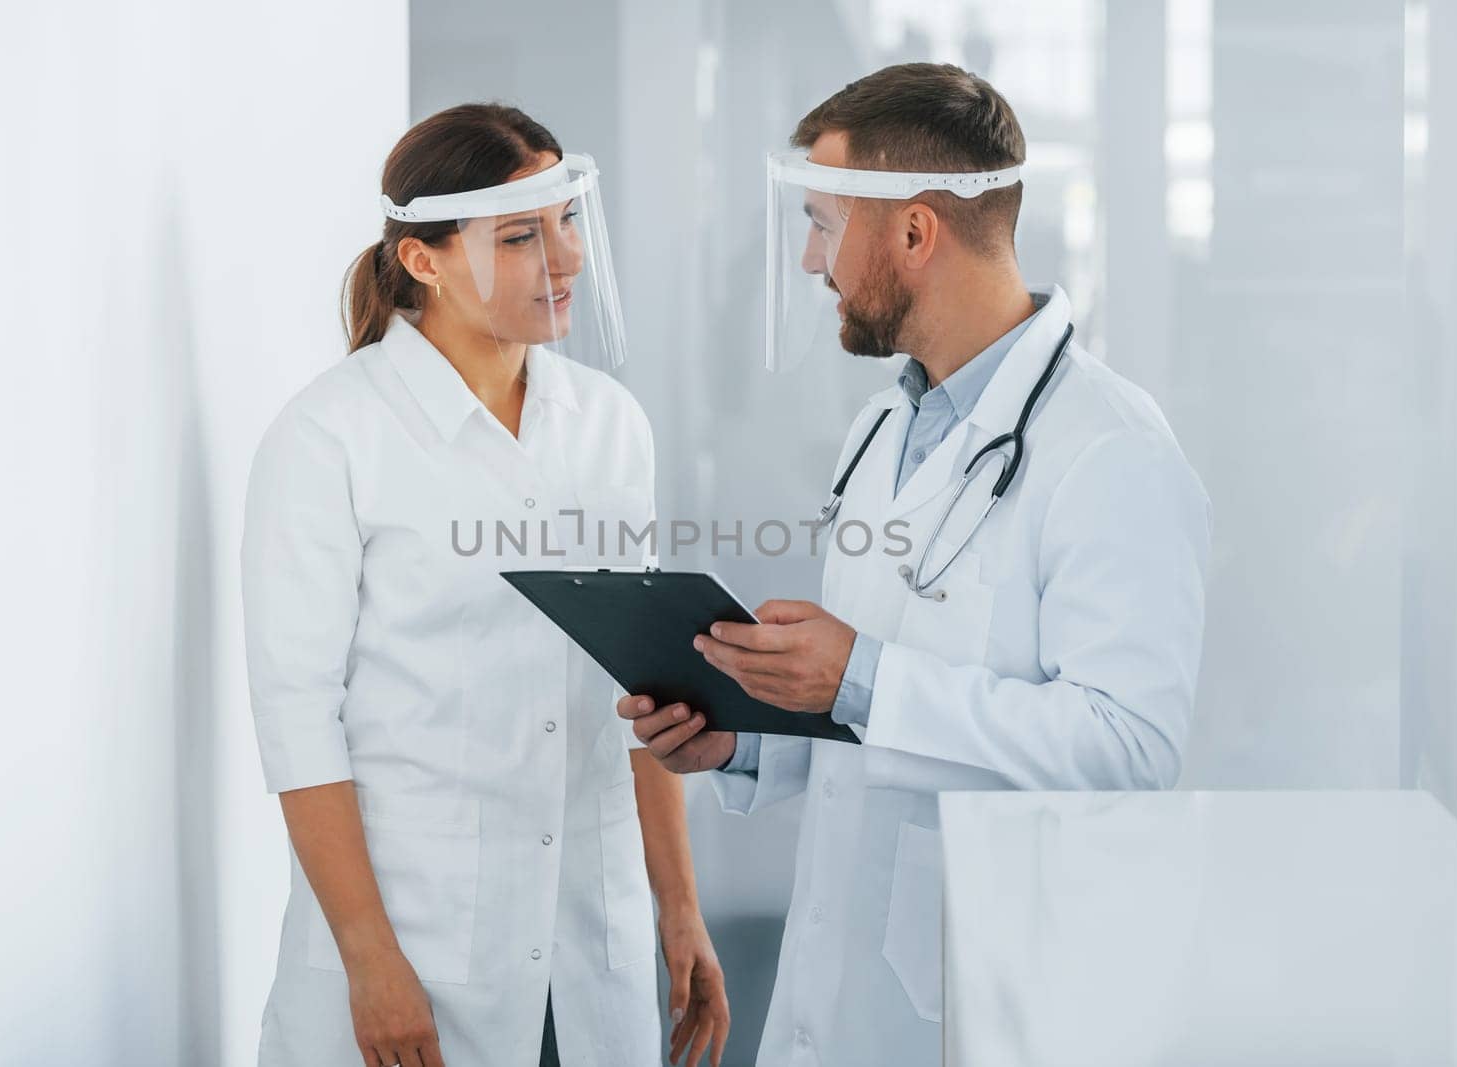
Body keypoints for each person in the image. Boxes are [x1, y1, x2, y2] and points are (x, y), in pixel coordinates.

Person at [620, 63, 1211, 1065]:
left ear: (912, 232)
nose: (812, 259)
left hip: (994, 994)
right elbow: (874, 711)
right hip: (844, 982)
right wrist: (744, 741)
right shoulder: (890, 419)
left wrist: (860, 673)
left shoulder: (1110, 449)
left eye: (823, 222)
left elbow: (1129, 744)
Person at [243, 103, 729, 1067]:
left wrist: (679, 905)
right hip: (413, 953)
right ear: (423, 260)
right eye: (519, 235)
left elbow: (639, 676)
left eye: (568, 222)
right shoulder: (330, 437)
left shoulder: (608, 424)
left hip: (594, 943)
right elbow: (298, 719)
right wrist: (369, 960)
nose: (566, 257)